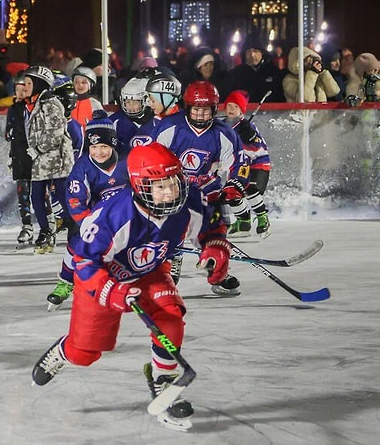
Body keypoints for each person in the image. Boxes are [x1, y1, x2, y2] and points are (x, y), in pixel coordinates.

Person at [31, 142, 232, 432]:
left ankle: (163, 381)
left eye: (173, 183)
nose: (170, 192)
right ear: (139, 187)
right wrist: (110, 291)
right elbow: (84, 261)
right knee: (85, 354)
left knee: (170, 318)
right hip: (107, 279)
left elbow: (211, 228)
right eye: (159, 187)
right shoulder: (112, 215)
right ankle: (64, 351)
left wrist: (214, 247)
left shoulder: (188, 203)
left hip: (149, 273)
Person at [153, 81, 246, 295]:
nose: (201, 115)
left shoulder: (224, 133)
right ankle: (168, 265)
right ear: (187, 107)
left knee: (216, 235)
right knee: (170, 231)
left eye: (206, 111)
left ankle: (217, 272)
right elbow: (152, 159)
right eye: (196, 110)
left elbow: (239, 164)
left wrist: (233, 186)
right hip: (173, 193)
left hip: (207, 195)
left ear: (214, 109)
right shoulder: (170, 127)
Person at [46, 115, 128, 310]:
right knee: (77, 244)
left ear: (114, 145)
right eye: (93, 147)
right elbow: (75, 201)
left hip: (126, 216)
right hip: (94, 217)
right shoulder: (82, 166)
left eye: (104, 147)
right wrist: (88, 226)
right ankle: (65, 282)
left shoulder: (129, 159)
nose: (98, 152)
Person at [25, 70, 75, 255]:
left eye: (29, 83)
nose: (25, 87)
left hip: (57, 159)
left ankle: (74, 228)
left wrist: (37, 149)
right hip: (42, 161)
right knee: (36, 195)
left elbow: (56, 132)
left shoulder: (51, 104)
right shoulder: (34, 104)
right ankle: (45, 229)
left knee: (63, 196)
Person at [222, 90, 272, 238]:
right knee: (230, 193)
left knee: (251, 188)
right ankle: (243, 222)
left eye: (235, 106)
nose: (231, 109)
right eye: (229, 105)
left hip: (257, 164)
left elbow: (257, 147)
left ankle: (263, 218)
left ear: (241, 110)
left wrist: (249, 138)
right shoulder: (222, 126)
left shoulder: (247, 127)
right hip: (238, 166)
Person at [5, 69, 40, 247]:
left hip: (36, 155)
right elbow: (8, 133)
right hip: (20, 155)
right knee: (23, 192)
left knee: (42, 192)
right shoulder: (14, 109)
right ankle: (27, 226)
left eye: (24, 88)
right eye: (17, 88)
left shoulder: (36, 106)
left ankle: (46, 226)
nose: (21, 92)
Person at [109, 72, 155, 151]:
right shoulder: (114, 121)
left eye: (135, 102)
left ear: (147, 100)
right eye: (127, 102)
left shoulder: (158, 121)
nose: (131, 106)